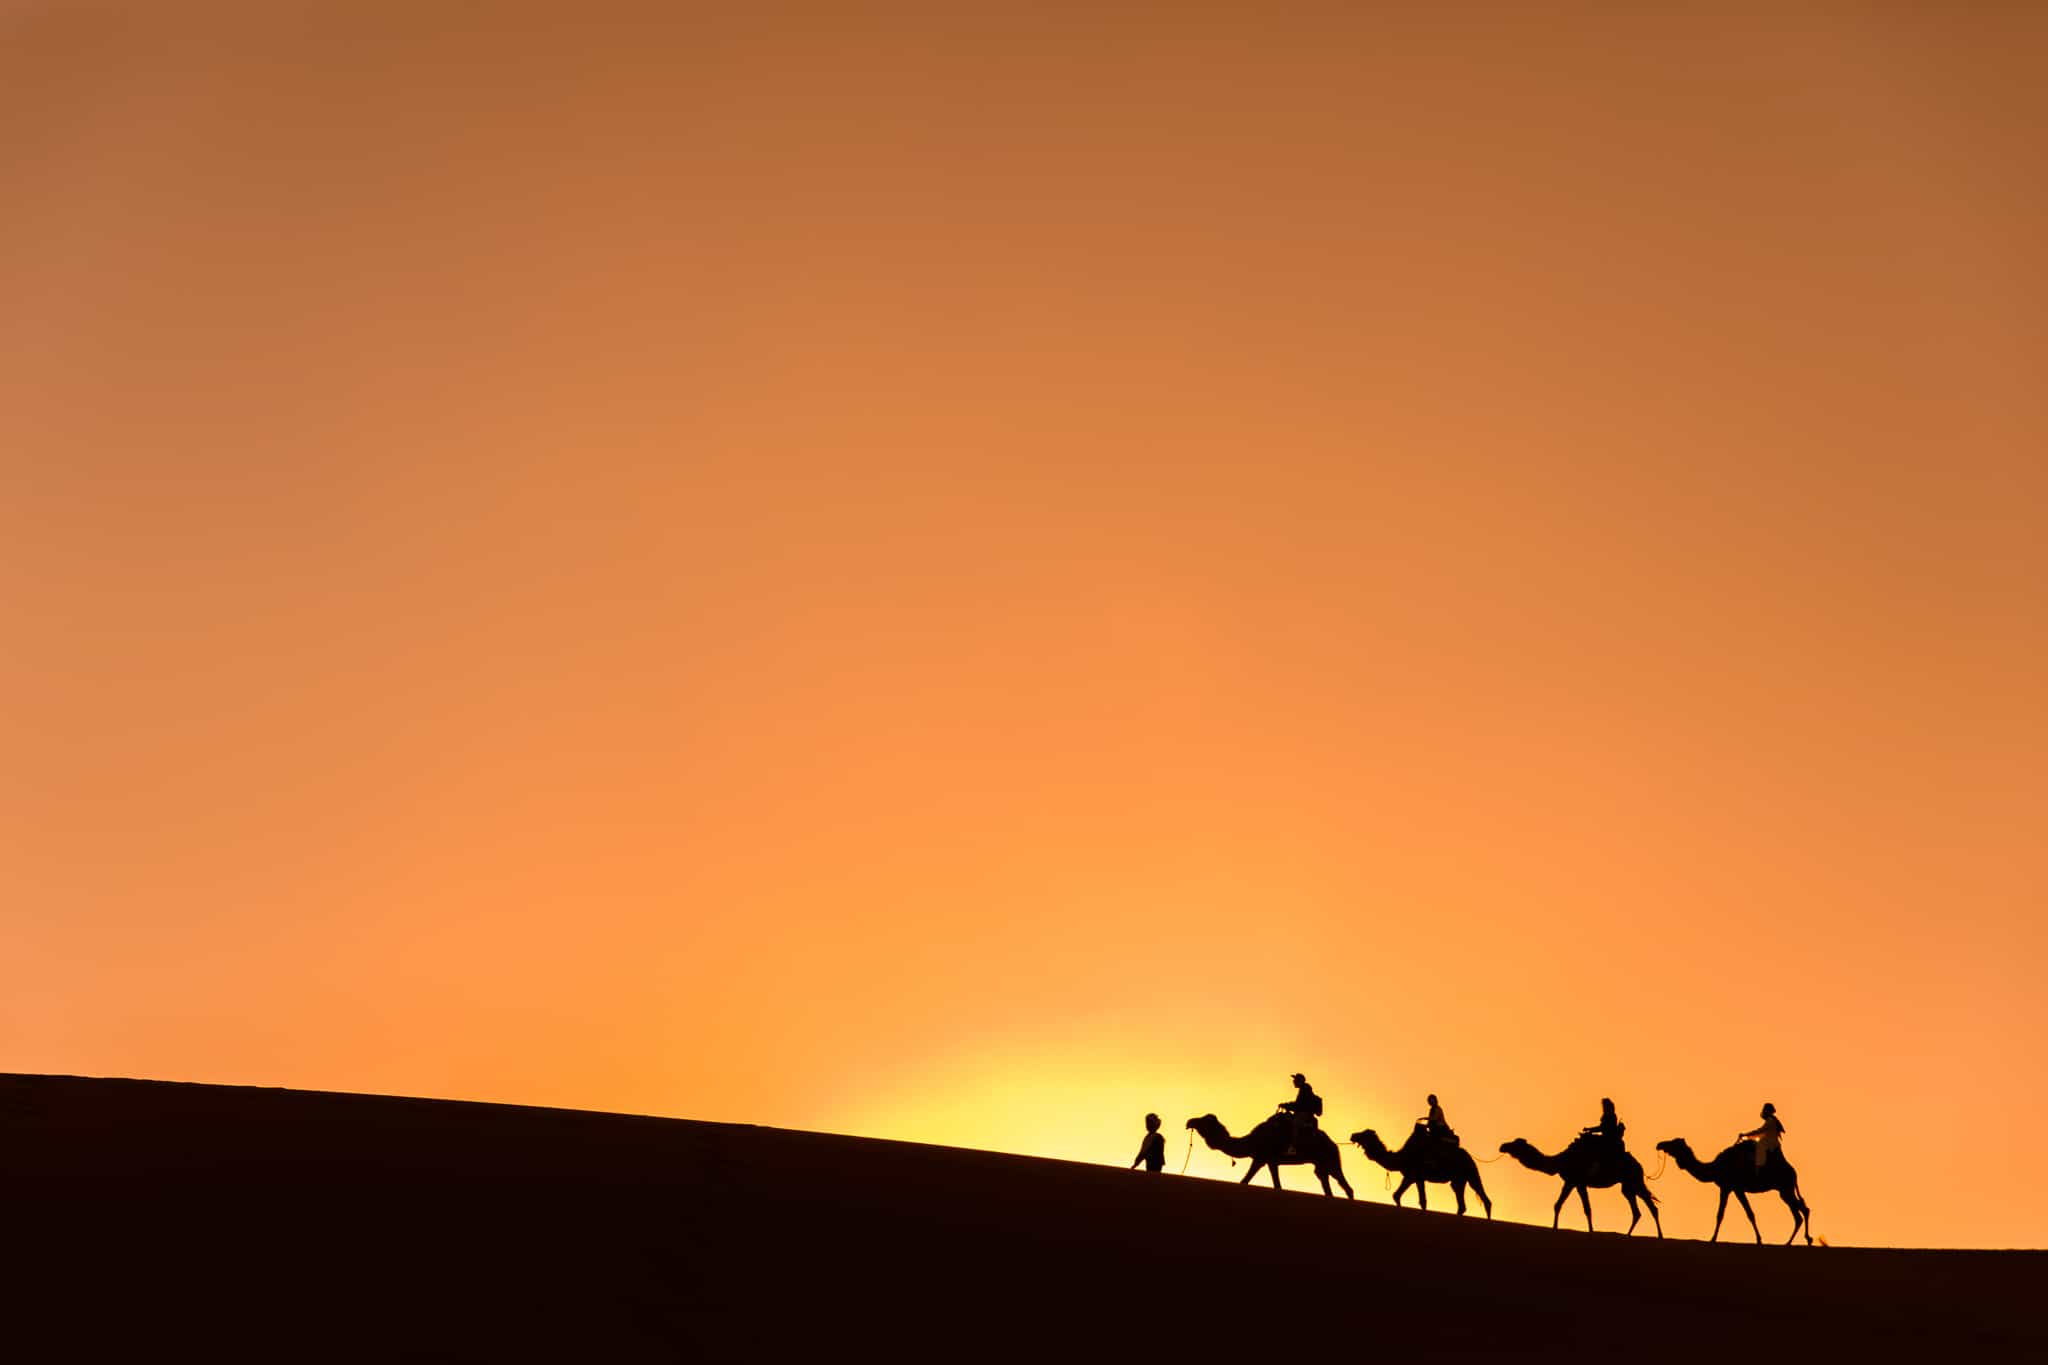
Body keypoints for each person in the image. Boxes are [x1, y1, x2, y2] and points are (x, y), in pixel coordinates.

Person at [1279, 1072, 1322, 1150]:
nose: (1293, 1082)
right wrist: (1287, 1105)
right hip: (1302, 1113)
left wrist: (1287, 1105)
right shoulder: (1303, 1089)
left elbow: (1299, 1105)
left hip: (1304, 1114)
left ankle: (1293, 1147)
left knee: (1294, 1124)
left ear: (1300, 1081)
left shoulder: (1305, 1089)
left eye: (1295, 1080)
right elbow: (1298, 1104)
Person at [1738, 1102, 1785, 1174]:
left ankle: (1759, 1167)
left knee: (1759, 1146)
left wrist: (1745, 1135)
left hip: (1771, 1143)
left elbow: (1760, 1131)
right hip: (1770, 1142)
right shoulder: (1771, 1120)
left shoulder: (1770, 1121)